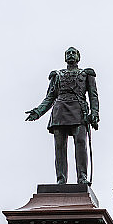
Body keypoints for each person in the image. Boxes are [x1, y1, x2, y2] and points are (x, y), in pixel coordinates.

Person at [26, 47, 99, 185]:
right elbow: (50, 97)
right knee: (60, 147)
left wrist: (94, 113)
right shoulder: (57, 75)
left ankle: (82, 177)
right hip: (60, 111)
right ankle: (61, 178)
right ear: (65, 57)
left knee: (81, 143)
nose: (71, 55)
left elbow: (93, 95)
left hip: (79, 111)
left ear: (78, 57)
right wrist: (38, 111)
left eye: (73, 53)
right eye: (68, 53)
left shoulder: (86, 74)